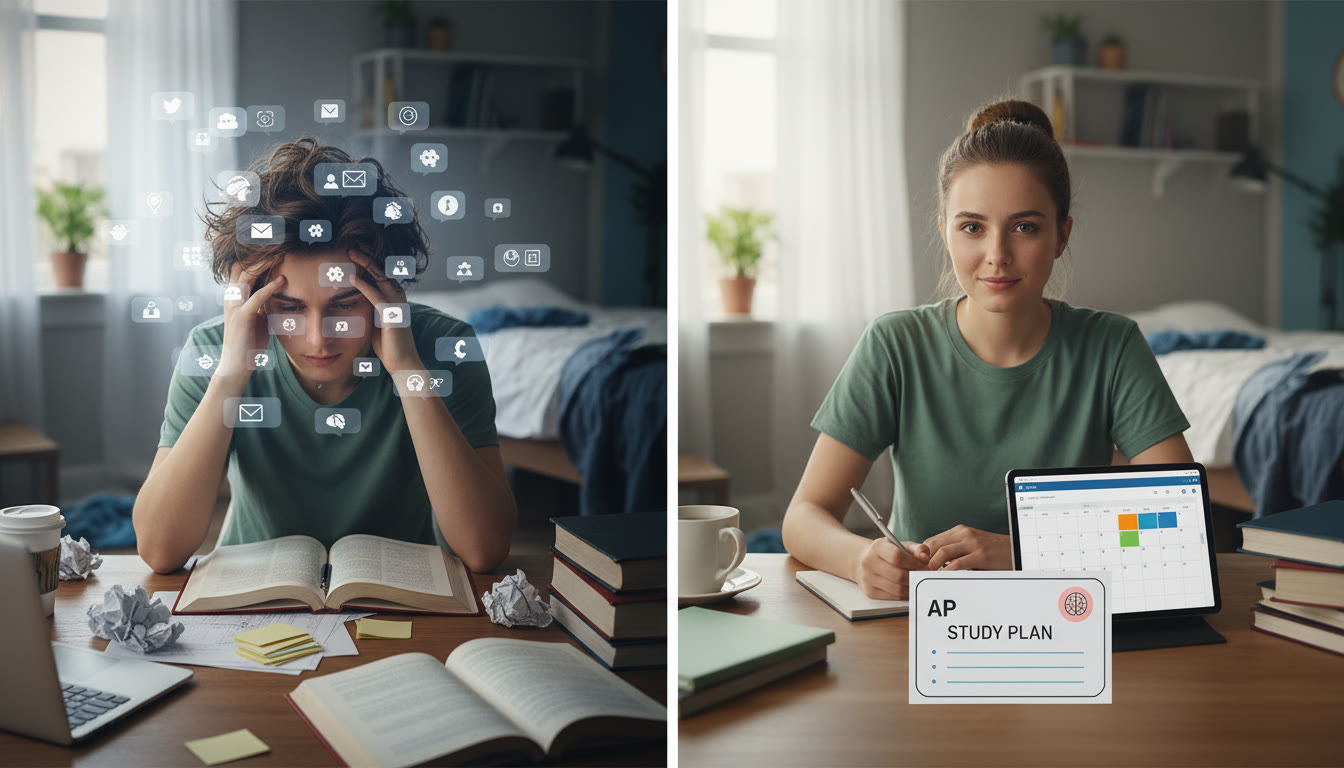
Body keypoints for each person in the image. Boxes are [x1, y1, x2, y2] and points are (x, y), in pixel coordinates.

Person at [780, 99, 1194, 600]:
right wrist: (860, 559)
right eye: (972, 227)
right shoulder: (894, 345)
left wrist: (1024, 552)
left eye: (1025, 227)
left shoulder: (1112, 346)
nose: (996, 255)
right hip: (922, 626)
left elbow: (1174, 522)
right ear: (945, 232)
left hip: (1066, 616)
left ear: (1062, 235)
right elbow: (803, 517)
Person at [133, 138, 517, 574]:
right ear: (253, 297)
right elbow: (160, 550)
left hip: (398, 597)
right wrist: (229, 376)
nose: (319, 339)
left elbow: (485, 549)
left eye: (345, 304)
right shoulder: (213, 349)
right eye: (291, 308)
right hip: (251, 595)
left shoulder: (446, 347)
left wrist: (408, 370)